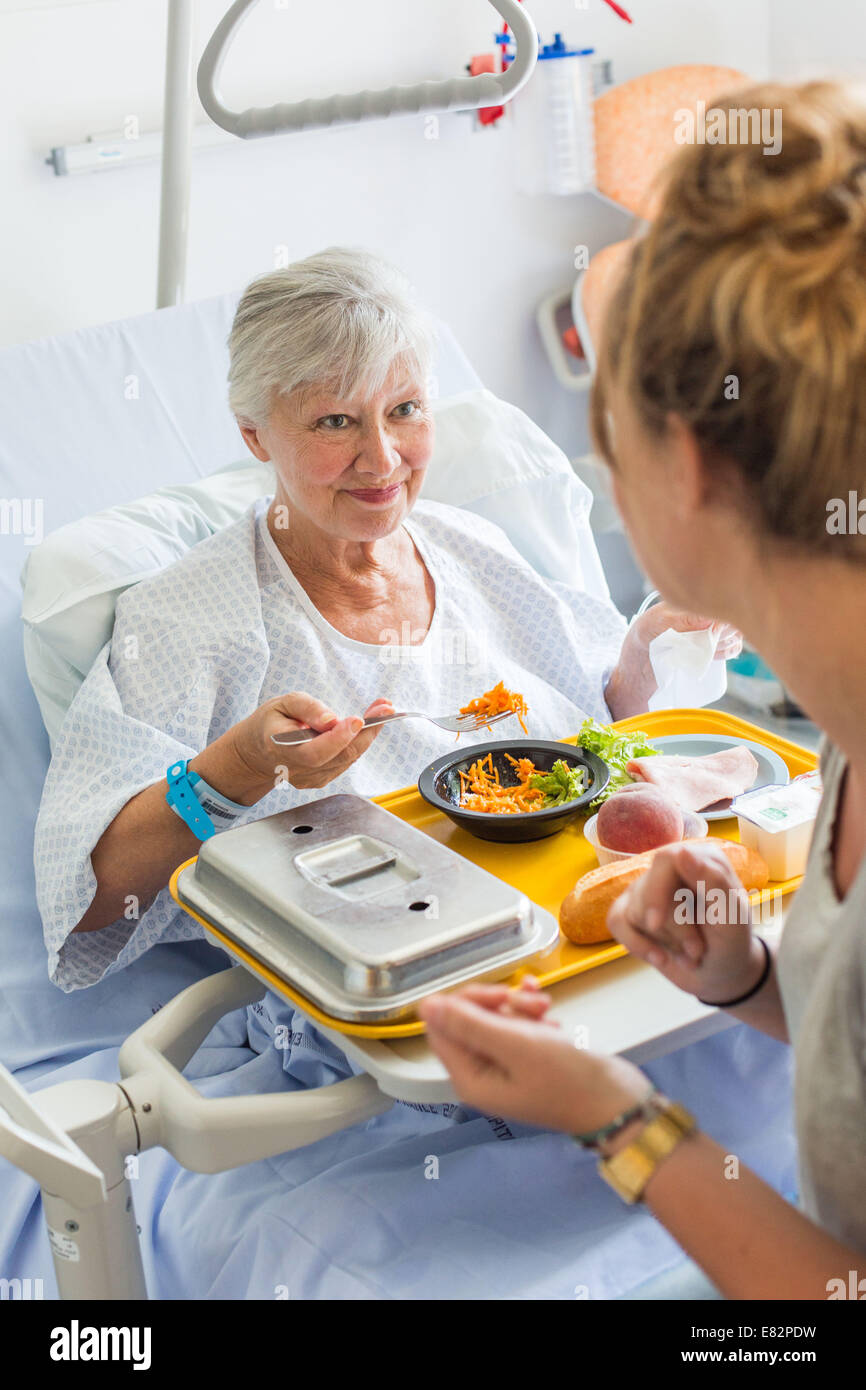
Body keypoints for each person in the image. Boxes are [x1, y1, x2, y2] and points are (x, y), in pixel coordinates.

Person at [420, 79, 866, 1300]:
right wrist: (749, 981)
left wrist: (622, 1121)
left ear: (685, 460)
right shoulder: (840, 730)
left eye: (599, 418)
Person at [34, 246, 734, 992]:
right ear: (255, 435)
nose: (382, 459)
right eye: (336, 422)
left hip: (596, 938)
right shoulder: (187, 619)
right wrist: (236, 769)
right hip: (398, 987)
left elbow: (597, 727)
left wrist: (647, 645)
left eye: (404, 410)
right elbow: (94, 896)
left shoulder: (475, 549)